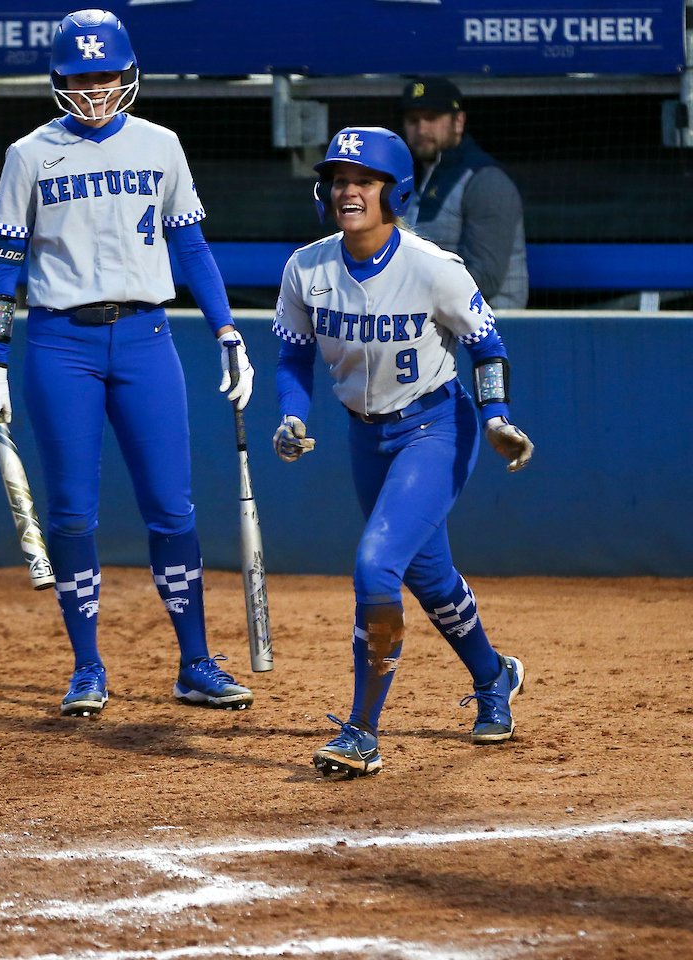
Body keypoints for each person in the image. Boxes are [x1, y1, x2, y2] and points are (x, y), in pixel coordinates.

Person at [0, 8, 256, 718]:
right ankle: (87, 668)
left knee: (171, 507)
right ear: (57, 79)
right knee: (71, 513)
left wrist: (227, 331)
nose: (94, 89)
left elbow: (191, 248)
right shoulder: (28, 154)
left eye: (105, 76)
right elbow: (3, 266)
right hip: (59, 343)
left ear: (128, 74)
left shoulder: (162, 144)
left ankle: (195, 663)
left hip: (146, 338)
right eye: (80, 78)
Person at [271, 127, 535, 779]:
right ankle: (494, 676)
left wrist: (497, 417)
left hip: (435, 429)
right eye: (339, 180)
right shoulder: (306, 267)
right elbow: (292, 357)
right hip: (366, 437)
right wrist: (292, 415)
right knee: (430, 577)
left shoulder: (432, 266)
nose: (348, 191)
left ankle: (361, 732)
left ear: (396, 193)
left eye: (364, 181)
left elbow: (487, 345)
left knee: (375, 567)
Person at [401, 77, 528, 309]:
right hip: (427, 317)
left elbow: (485, 278)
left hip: (490, 322)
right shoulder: (406, 178)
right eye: (413, 120)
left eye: (432, 118)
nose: (421, 129)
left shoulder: (485, 180)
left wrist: (406, 293)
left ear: (458, 122)